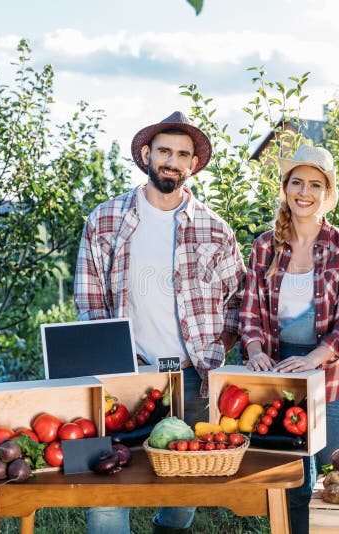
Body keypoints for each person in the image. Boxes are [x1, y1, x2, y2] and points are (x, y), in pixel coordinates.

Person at [74, 111, 246, 534]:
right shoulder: (105, 221)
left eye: (182, 155)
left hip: (191, 378)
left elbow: (238, 302)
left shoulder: (215, 230)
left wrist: (215, 351)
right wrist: (113, 364)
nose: (172, 160)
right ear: (147, 154)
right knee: (106, 485)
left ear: (193, 166)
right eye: (165, 150)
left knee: (183, 488)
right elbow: (89, 303)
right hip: (123, 375)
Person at [239, 144, 339, 533]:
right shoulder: (265, 246)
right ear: (285, 188)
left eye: (314, 185)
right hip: (280, 368)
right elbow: (251, 310)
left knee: (337, 470)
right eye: (297, 183)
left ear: (327, 193)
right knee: (294, 477)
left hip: (331, 370)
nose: (304, 193)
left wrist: (314, 358)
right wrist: (256, 351)